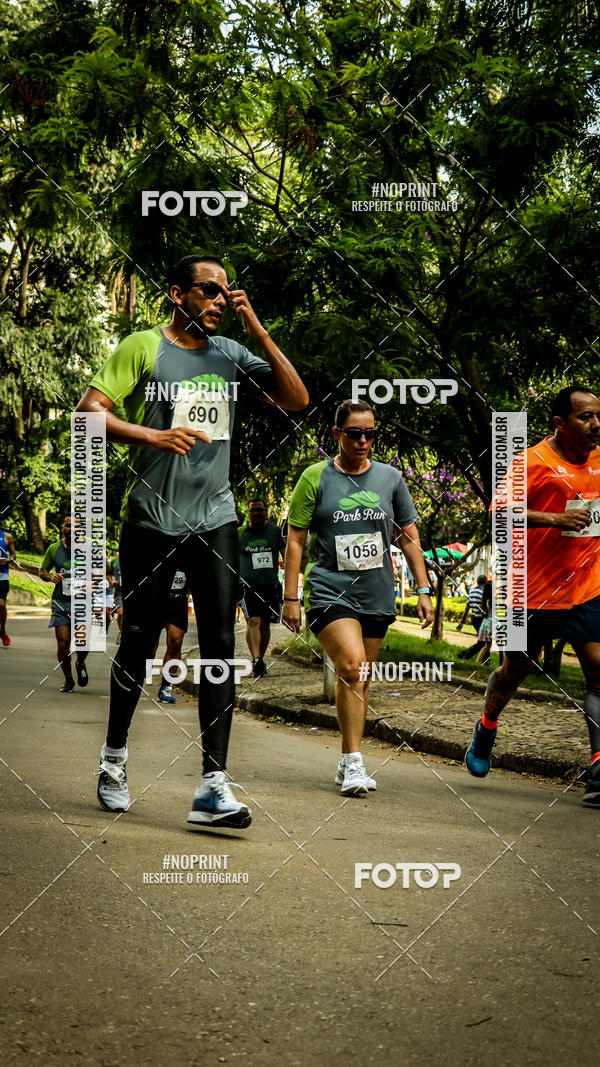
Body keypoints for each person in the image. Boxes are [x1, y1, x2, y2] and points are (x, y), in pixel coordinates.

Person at [76, 253, 308, 825]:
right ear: (178, 294)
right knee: (140, 642)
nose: (220, 300)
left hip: (216, 519)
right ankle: (113, 759)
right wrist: (152, 436)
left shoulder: (230, 354)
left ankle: (212, 786)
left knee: (221, 647)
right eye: (209, 290)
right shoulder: (143, 347)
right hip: (151, 520)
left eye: (226, 293)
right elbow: (88, 415)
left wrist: (257, 328)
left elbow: (296, 399)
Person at [283, 399, 435, 795]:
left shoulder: (390, 478)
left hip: (376, 592)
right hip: (330, 589)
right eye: (354, 434)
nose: (363, 441)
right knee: (351, 667)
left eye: (370, 434)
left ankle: (346, 760)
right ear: (337, 434)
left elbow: (409, 537)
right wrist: (290, 596)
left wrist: (423, 589)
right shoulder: (315, 477)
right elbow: (296, 540)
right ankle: (354, 763)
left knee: (361, 677)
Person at [465, 386, 600, 806]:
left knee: (598, 670)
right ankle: (487, 726)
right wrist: (554, 518)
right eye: (585, 417)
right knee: (515, 671)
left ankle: (599, 768)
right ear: (560, 423)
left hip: (587, 586)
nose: (596, 424)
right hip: (531, 591)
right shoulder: (532, 462)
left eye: (598, 415)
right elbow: (498, 514)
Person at [39, 514, 90, 692]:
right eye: (68, 526)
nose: (71, 529)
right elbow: (42, 571)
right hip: (61, 602)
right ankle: (68, 679)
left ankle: (80, 663)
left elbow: (101, 572)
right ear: (62, 528)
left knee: (83, 642)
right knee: (63, 642)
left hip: (83, 603)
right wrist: (51, 576)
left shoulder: (90, 549)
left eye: (75, 526)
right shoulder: (54, 548)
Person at [238, 498, 286, 677]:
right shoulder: (240, 533)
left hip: (270, 586)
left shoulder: (276, 532)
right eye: (252, 510)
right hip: (247, 586)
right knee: (253, 621)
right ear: (248, 513)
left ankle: (260, 658)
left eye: (259, 509)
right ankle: (256, 658)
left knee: (265, 625)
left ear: (266, 512)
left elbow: (287, 555)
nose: (256, 513)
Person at [155, 569, 189, 704]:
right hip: (154, 596)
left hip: (178, 598)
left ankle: (166, 687)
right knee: (149, 643)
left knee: (176, 641)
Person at [456, 574, 487, 659]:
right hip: (482, 620)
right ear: (485, 582)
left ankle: (485, 661)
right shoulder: (483, 593)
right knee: (483, 642)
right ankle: (464, 655)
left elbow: (466, 609)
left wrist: (462, 622)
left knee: (483, 641)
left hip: (474, 619)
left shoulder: (472, 592)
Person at [0, 527, 16, 646]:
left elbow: (13, 555)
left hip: (2, 576)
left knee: (1, 604)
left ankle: (2, 630)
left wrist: (8, 560)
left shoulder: (7, 536)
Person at [108, 551, 123, 642]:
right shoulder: (114, 561)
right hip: (119, 592)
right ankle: (121, 632)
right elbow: (108, 573)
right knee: (120, 613)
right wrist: (112, 581)